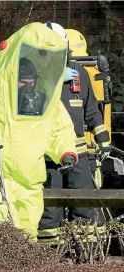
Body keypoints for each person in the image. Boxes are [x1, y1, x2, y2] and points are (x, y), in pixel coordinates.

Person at [0, 22, 78, 240]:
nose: (27, 87)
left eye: (31, 81)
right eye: (23, 82)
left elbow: (58, 125)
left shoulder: (42, 97)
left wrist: (66, 151)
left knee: (28, 225)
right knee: (2, 224)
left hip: (30, 173)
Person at [37, 23, 111, 245]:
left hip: (79, 154)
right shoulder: (34, 77)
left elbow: (91, 112)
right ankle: (49, 256)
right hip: (49, 156)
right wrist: (55, 80)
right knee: (50, 210)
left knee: (84, 206)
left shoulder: (80, 75)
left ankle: (83, 254)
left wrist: (103, 141)